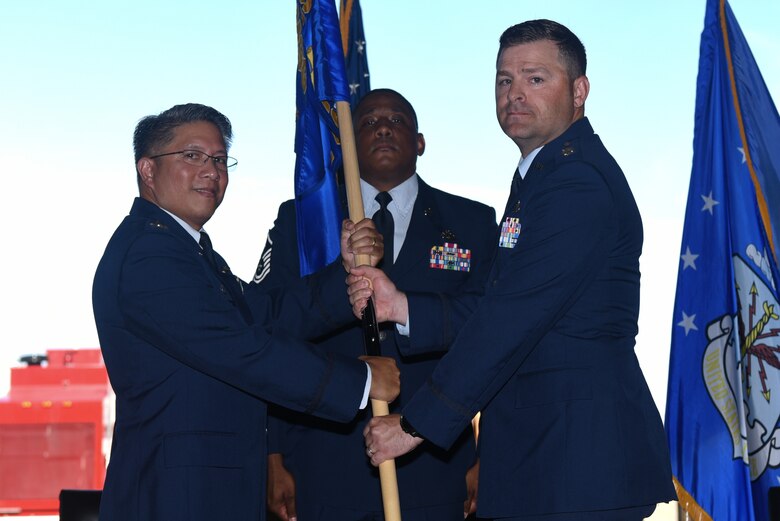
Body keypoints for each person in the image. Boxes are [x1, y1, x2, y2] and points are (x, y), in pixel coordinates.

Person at [351, 21, 677, 520]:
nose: (515, 94)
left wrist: (415, 425)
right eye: (504, 80)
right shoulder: (541, 178)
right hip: (545, 458)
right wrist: (402, 306)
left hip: (577, 462)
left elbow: (511, 318)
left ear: (579, 91)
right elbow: (495, 303)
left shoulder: (576, 183)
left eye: (535, 78)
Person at [92, 103, 400, 521]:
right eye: (192, 156)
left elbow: (265, 313)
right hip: (177, 496)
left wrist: (344, 275)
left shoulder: (189, 251)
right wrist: (359, 381)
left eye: (219, 159)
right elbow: (242, 349)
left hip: (206, 488)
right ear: (148, 170)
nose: (212, 171)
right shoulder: (151, 255)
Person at [253, 88, 496, 520]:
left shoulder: (473, 223)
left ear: (420, 142)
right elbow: (270, 337)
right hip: (321, 462)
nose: (383, 128)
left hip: (436, 461)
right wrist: (272, 453)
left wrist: (488, 454)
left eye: (397, 121)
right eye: (367, 122)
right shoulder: (302, 223)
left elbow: (493, 342)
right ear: (346, 144)